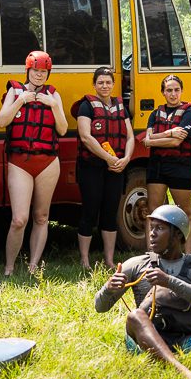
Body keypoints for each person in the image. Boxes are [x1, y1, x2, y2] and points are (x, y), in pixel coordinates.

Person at [94, 206, 191, 379]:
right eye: (152, 227)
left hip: (185, 339)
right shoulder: (136, 264)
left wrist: (169, 281)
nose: (152, 233)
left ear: (177, 234)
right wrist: (108, 288)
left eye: (160, 228)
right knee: (135, 316)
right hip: (144, 340)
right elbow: (99, 307)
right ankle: (183, 372)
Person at [0, 50, 68, 277]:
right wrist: (20, 100)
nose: (39, 75)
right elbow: (1, 121)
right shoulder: (15, 91)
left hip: (48, 162)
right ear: (28, 71)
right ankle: (9, 268)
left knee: (41, 216)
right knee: (19, 219)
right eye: (36, 71)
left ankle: (33, 266)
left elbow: (62, 129)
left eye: (44, 71)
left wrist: (53, 105)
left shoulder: (53, 95)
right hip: (20, 161)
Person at [73, 67, 135, 268]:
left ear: (113, 84)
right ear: (94, 84)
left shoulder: (121, 106)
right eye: (100, 82)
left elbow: (130, 136)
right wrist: (109, 158)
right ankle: (84, 260)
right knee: (89, 211)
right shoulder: (86, 106)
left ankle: (109, 260)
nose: (105, 86)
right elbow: (85, 137)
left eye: (108, 82)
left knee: (110, 212)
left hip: (116, 168)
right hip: (91, 167)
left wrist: (126, 159)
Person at [143, 74, 191, 254]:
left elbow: (176, 142)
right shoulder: (155, 114)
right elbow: (146, 140)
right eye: (169, 90)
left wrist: (154, 139)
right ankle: (152, 255)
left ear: (181, 91)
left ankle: (187, 255)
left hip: (181, 166)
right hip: (157, 166)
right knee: (153, 211)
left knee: (185, 211)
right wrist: (170, 133)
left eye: (176, 90)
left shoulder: (189, 113)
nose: (173, 94)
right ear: (163, 92)